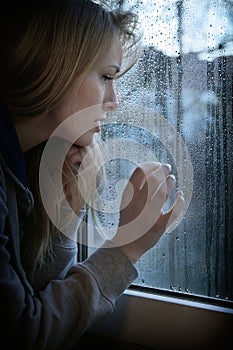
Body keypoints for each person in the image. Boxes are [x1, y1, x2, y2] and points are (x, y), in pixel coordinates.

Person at [0, 0, 184, 349]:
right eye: (105, 76)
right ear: (55, 68)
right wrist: (124, 250)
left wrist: (61, 197)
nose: (114, 100)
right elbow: (22, 335)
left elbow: (37, 296)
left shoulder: (22, 169)